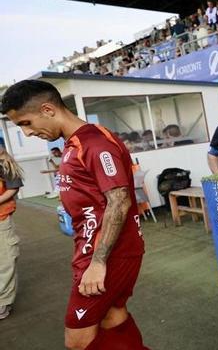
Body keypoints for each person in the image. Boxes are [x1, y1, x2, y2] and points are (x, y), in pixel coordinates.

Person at [1, 80, 148, 349]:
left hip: (108, 253)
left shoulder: (95, 143)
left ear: (47, 109)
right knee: (112, 316)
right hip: (91, 248)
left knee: (77, 340)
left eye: (26, 123)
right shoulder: (74, 144)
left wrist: (98, 262)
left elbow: (119, 201)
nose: (27, 133)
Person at [0, 138, 23, 321]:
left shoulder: (5, 164)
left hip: (1, 220)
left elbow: (13, 188)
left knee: (6, 261)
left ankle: (2, 303)